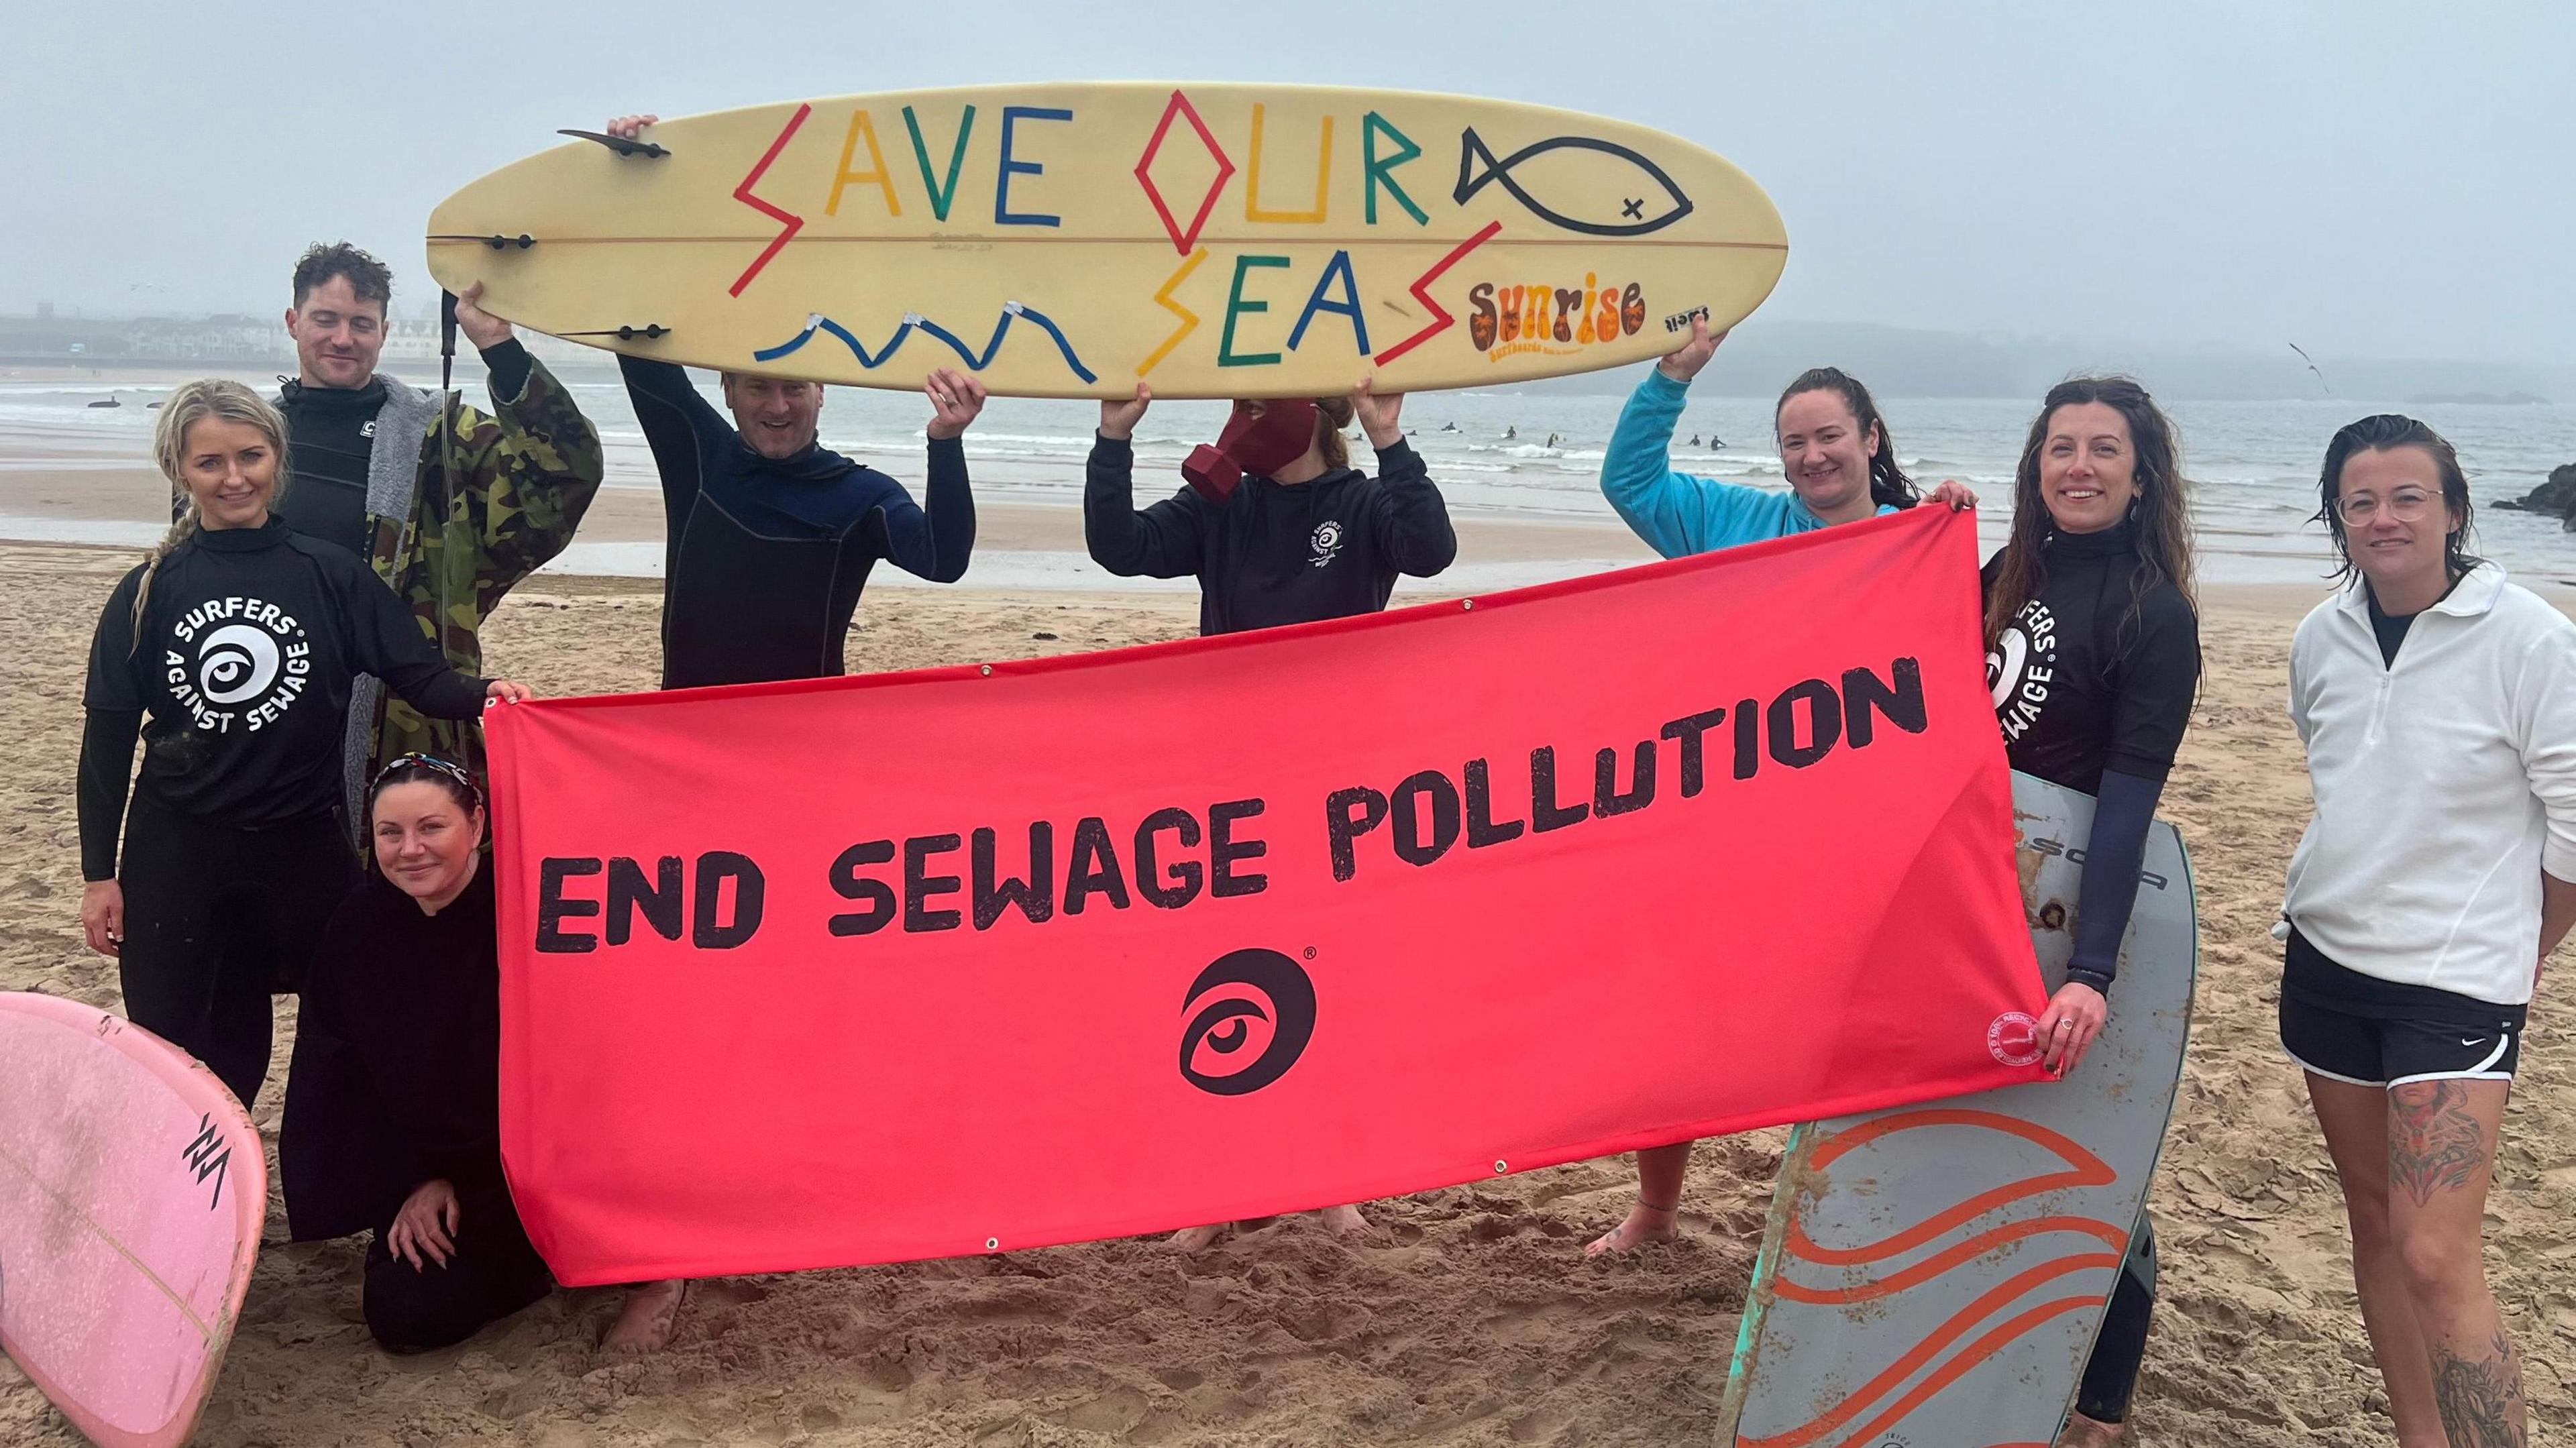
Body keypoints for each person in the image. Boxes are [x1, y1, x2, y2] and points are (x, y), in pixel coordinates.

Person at [1587, 319, 1971, 1256]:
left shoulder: (1917, 545)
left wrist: (1955, 524)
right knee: (1673, 1022)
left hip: (1857, 839)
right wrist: (1671, 378)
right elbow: (1629, 482)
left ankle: (1842, 1221)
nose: (1811, 455)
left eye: (1829, 435)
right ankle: (1657, 1210)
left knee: (1851, 1036)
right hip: (1722, 818)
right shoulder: (1737, 523)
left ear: (1870, 438)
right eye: (1794, 441)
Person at [76, 382, 529, 1109]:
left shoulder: (330, 574)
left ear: (276, 457)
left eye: (251, 455)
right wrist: (100, 874)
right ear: (179, 470)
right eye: (210, 462)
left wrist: (491, 695)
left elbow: (417, 672)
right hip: (175, 849)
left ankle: (336, 1184)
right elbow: (105, 744)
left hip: (301, 848)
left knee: (346, 1023)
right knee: (175, 1046)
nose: (234, 477)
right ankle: (192, 1201)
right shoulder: (148, 590)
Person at [1087, 378, 1452, 1245]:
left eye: (1257, 406)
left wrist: (1393, 439)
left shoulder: (1363, 506)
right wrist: (1112, 441)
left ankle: (1333, 1184)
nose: (1240, 424)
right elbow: (1120, 546)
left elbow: (1432, 549)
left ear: (1311, 410)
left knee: (1330, 979)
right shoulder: (1225, 506)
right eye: (1236, 407)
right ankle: (1224, 1185)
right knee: (1225, 984)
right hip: (1229, 786)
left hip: (1338, 790)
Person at [2278, 415, 2575, 1448]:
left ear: (2454, 508)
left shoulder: (2531, 637)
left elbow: (2575, 818)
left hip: (2458, 986)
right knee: (2374, 1218)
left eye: (2408, 496)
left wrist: (2520, 950)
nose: (2384, 517)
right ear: (2337, 518)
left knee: (2437, 1252)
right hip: (2327, 962)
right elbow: (2342, 772)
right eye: (2360, 500)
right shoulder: (2321, 635)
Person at [1979, 377, 2202, 1445]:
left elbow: (2128, 799)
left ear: (2140, 471)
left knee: (2092, 1154)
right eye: (2059, 446)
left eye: (2103, 448)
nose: (2078, 465)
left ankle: (2101, 1407)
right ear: (2036, 468)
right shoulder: (2005, 576)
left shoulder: (2156, 614)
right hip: (1978, 898)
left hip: (2074, 914)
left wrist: (2093, 971)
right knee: (1982, 1126)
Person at [600, 114, 983, 689]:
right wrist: (637, 187)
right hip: (688, 728)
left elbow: (944, 561)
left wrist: (947, 445)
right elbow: (631, 326)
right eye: (758, 386)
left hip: (805, 735)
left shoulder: (863, 496)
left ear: (822, 390)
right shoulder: (698, 456)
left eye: (795, 387)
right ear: (727, 390)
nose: (778, 406)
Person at [275, 243, 602, 814]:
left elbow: (564, 480)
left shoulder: (442, 441)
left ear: (384, 331)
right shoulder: (248, 445)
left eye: (361, 323)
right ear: (293, 321)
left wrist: (498, 347)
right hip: (273, 712)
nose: (343, 338)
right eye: (325, 320)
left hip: (407, 718)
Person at [282, 757, 560, 1353]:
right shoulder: (357, 927)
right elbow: (336, 1079)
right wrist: (413, 1180)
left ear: (477, 823)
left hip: (537, 1161)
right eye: (391, 833)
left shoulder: (535, 911)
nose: (411, 850)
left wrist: (475, 1176)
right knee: (406, 1314)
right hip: (421, 1164)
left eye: (432, 827)